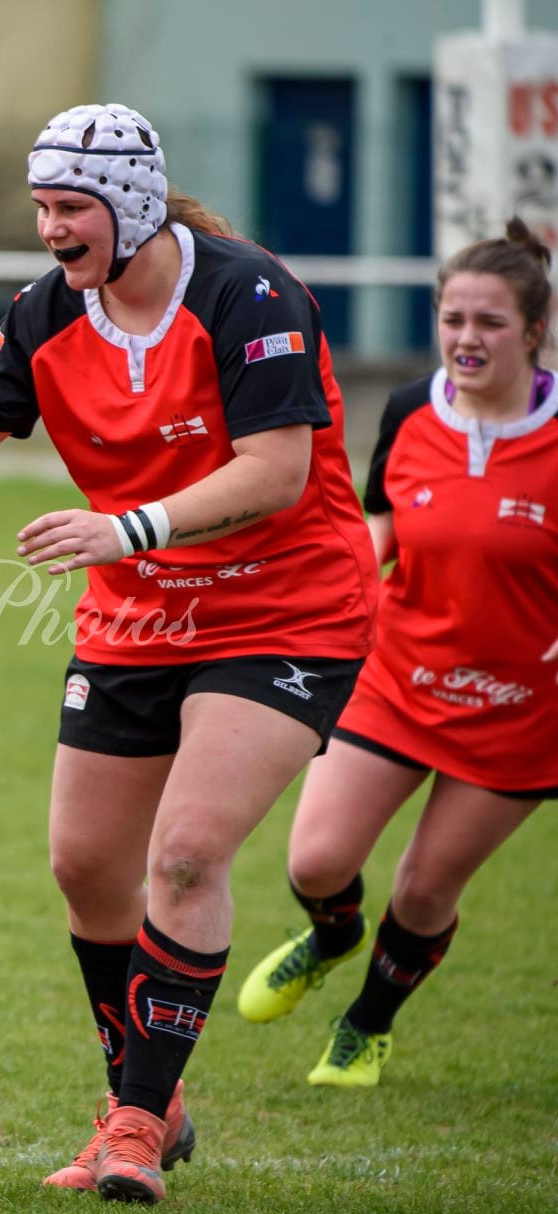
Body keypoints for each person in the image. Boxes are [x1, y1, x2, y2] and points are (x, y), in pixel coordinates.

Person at [0, 105, 381, 1204]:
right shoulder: (48, 311)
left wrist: (127, 529)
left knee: (183, 855)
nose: (49, 229)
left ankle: (129, 1125)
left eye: (68, 206)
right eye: (41, 206)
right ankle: (154, 1099)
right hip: (137, 619)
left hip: (287, 612)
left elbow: (276, 470)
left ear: (130, 203)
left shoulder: (245, 292)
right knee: (86, 867)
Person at [237, 220, 557, 1085]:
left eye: (490, 322)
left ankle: (367, 1024)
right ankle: (334, 935)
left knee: (422, 890)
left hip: (520, 711)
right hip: (398, 676)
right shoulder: (412, 409)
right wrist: (343, 581)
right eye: (453, 318)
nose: (466, 338)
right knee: (315, 859)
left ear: (535, 330)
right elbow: (381, 516)